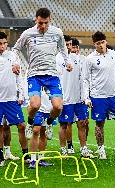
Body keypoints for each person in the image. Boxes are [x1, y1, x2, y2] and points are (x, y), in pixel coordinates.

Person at [11, 8, 72, 140]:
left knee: (58, 106)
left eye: (46, 23)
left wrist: (67, 62)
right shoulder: (28, 34)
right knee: (35, 105)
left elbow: (63, 48)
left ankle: (49, 123)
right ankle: (30, 122)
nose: (43, 26)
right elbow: (15, 49)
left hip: (51, 74)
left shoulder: (57, 33)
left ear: (50, 20)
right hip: (35, 75)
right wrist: (15, 63)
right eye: (40, 23)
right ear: (36, 20)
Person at [83, 31, 115, 160]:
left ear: (106, 42)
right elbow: (86, 79)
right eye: (98, 44)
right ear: (94, 44)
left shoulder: (114, 55)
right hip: (98, 96)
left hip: (113, 95)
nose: (101, 45)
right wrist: (86, 97)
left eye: (102, 42)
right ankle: (101, 149)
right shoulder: (89, 59)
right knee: (99, 123)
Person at [0, 32, 29, 166]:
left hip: (12, 99)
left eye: (4, 43)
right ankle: (1, 157)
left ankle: (26, 155)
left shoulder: (13, 56)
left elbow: (18, 76)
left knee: (21, 125)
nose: (3, 46)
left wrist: (21, 95)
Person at [56, 35, 93, 158]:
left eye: (69, 44)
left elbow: (83, 78)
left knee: (82, 123)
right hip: (65, 99)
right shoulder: (57, 59)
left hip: (78, 98)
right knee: (64, 124)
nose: (68, 47)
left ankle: (83, 148)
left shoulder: (76, 58)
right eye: (65, 45)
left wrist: (85, 96)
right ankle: (63, 149)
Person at [71, 38, 90, 142]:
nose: (74, 49)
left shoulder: (84, 59)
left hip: (82, 97)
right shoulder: (65, 60)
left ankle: (84, 145)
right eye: (72, 47)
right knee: (68, 122)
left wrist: (86, 95)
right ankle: (69, 146)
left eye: (75, 47)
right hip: (69, 97)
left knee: (85, 122)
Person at [29, 88, 54, 168]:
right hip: (38, 108)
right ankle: (33, 160)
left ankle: (41, 159)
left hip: (49, 108)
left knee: (44, 132)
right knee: (36, 131)